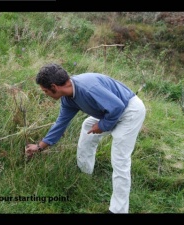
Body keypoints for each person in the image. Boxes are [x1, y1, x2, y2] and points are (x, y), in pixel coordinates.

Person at [25, 63, 146, 213]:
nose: (45, 94)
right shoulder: (68, 98)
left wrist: (102, 125)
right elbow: (61, 123)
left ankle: (118, 210)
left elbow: (117, 107)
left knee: (120, 159)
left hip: (129, 112)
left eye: (45, 91)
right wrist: (39, 147)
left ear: (54, 87)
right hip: (110, 112)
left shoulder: (88, 88)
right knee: (87, 126)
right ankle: (84, 173)